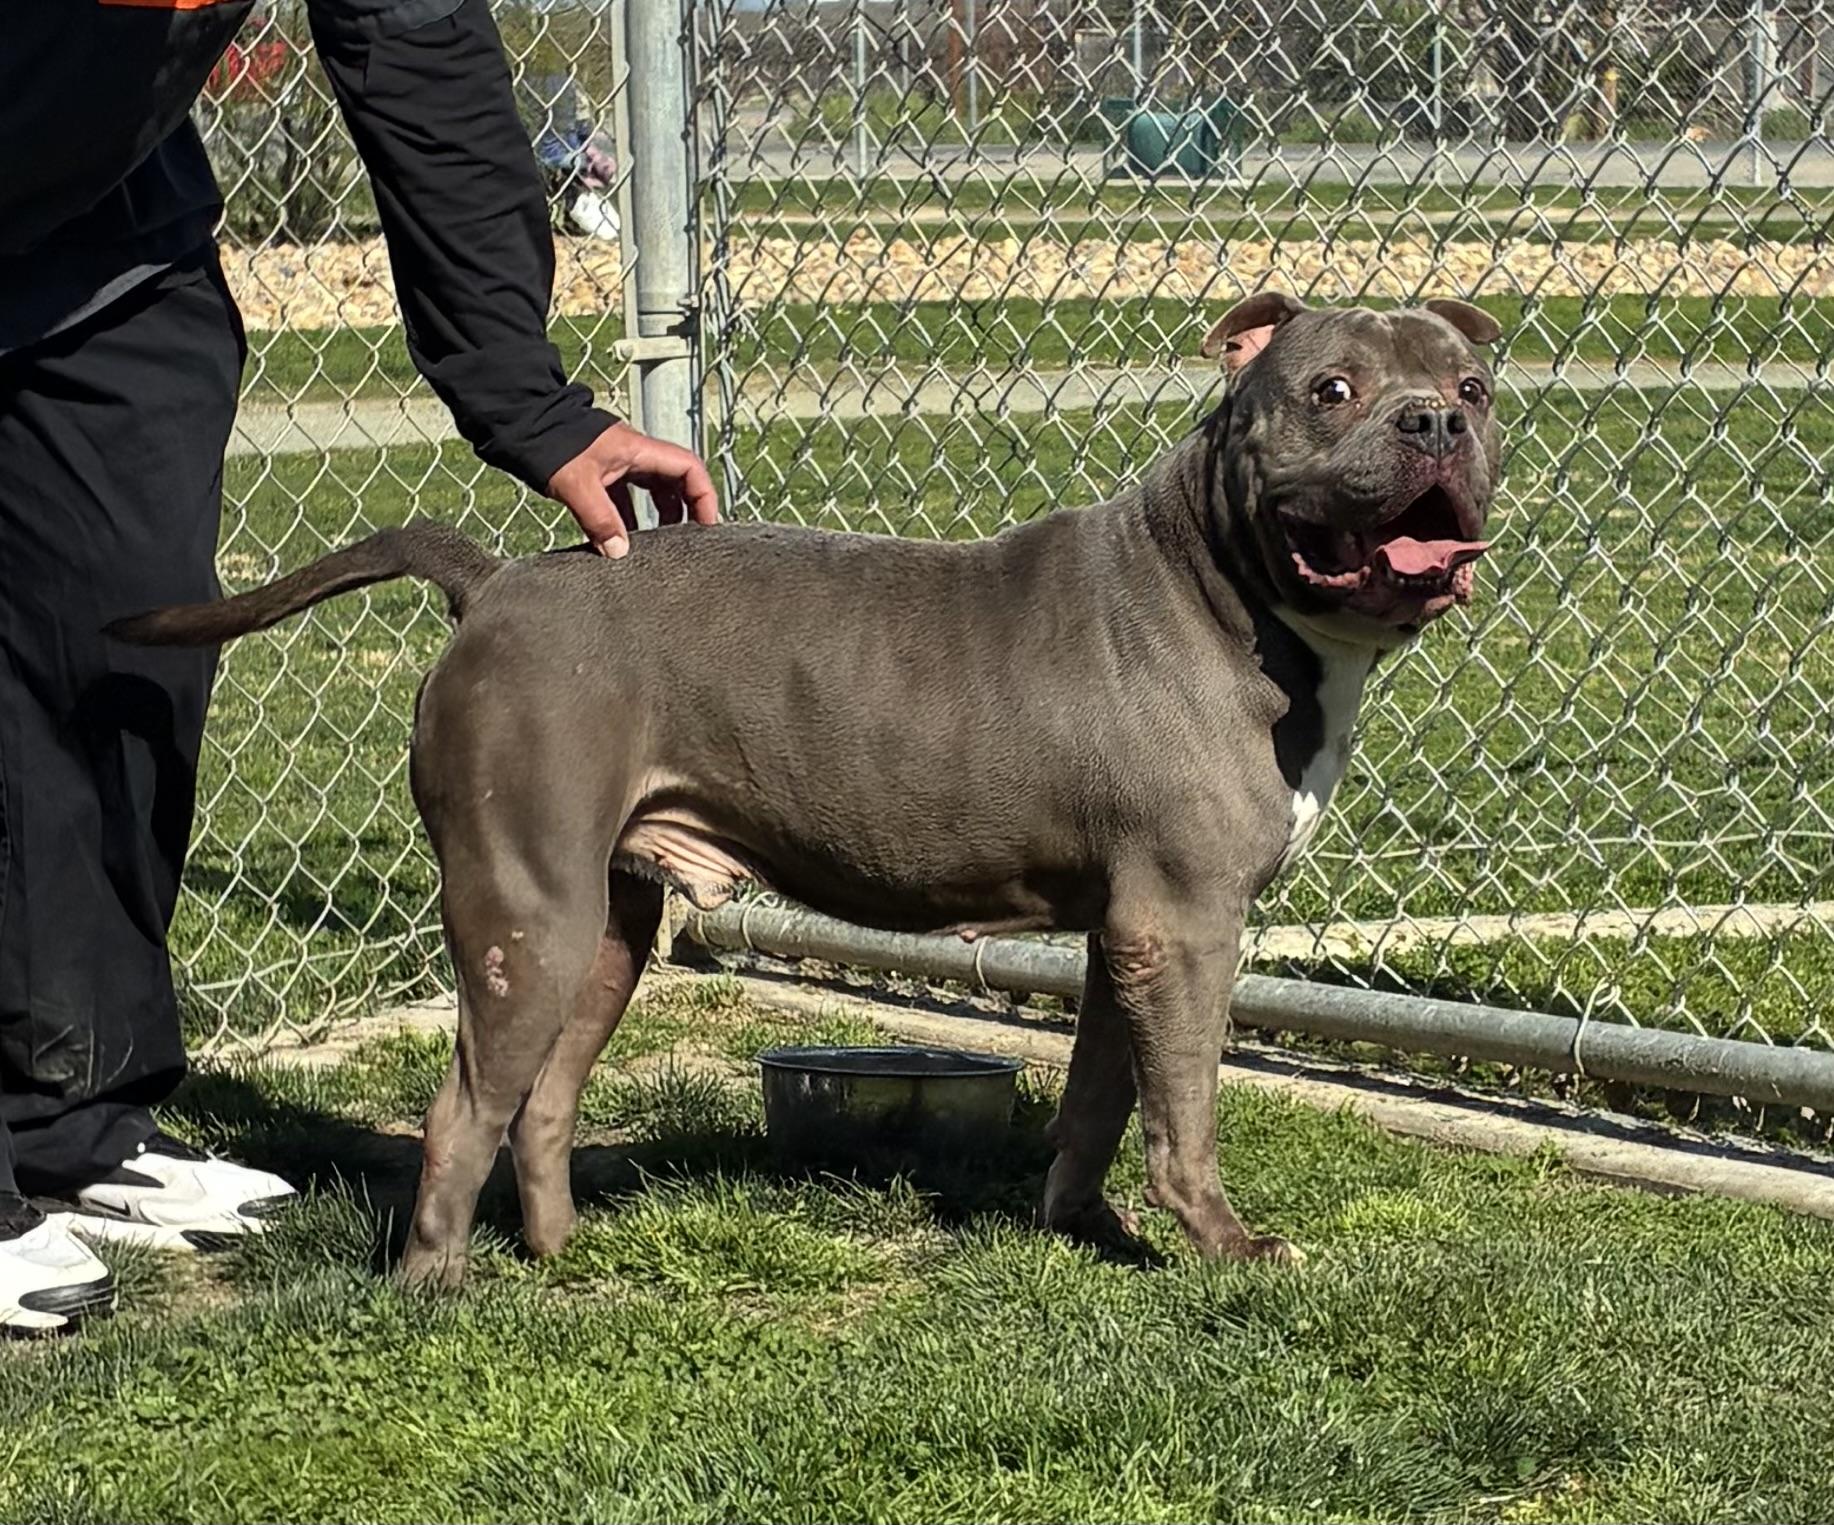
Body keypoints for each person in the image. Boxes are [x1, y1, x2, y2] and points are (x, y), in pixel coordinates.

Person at [1, 0, 718, 1333]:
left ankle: (68, 1111)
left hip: (94, 230)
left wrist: (525, 392)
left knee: (111, 645)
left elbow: (416, 44)